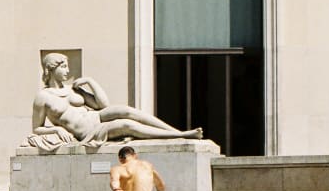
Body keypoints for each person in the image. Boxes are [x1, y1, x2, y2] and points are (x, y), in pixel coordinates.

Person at [31, 52, 202, 147]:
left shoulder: (72, 90)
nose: (68, 71)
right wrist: (55, 130)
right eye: (63, 67)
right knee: (127, 125)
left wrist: (90, 81)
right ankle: (181, 135)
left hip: (96, 117)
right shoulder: (43, 97)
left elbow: (103, 105)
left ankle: (177, 132)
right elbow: (36, 129)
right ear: (51, 69)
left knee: (127, 111)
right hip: (89, 131)